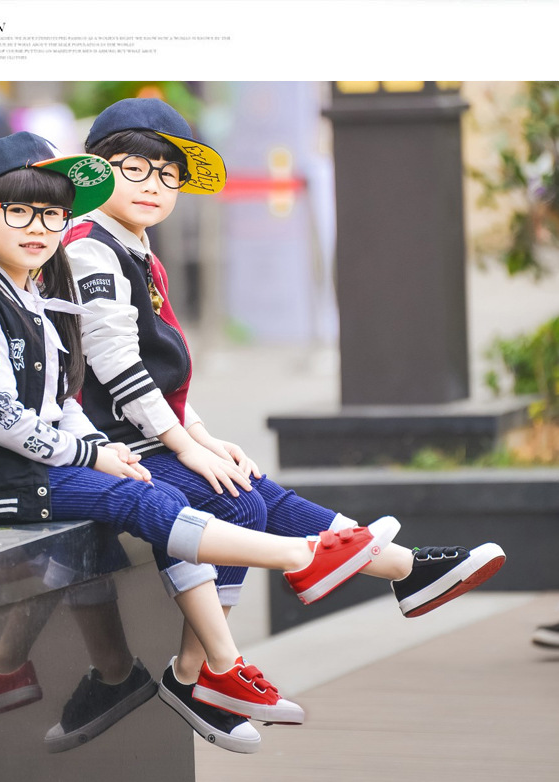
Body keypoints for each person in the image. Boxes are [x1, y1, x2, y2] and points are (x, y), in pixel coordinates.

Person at [0, 130, 406, 754]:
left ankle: (77, 672)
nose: (39, 227)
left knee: (148, 495)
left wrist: (104, 450)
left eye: (52, 213)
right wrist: (93, 454)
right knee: (143, 501)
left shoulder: (36, 297)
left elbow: (62, 402)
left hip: (32, 467)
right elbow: (3, 420)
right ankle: (293, 567)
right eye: (18, 211)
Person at [61, 97, 508, 739]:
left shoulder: (131, 245)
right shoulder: (90, 249)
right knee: (237, 500)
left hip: (142, 433)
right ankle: (199, 673)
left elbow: (156, 373)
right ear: (95, 172)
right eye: (133, 168)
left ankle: (405, 571)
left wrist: (203, 436)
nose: (153, 185)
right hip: (108, 444)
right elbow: (114, 363)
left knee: (251, 484)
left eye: (168, 174)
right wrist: (185, 444)